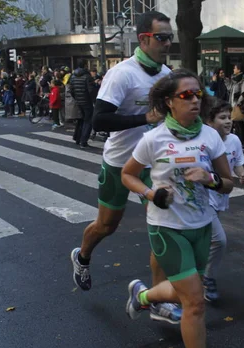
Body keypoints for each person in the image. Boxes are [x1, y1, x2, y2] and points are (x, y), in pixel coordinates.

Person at [121, 68, 233, 348]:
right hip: (166, 227)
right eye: (186, 95)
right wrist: (150, 194)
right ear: (170, 102)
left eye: (198, 94)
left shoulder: (211, 137)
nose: (195, 100)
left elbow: (228, 184)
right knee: (195, 303)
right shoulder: (153, 139)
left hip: (201, 226)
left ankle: (142, 296)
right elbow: (129, 175)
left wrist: (210, 178)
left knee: (187, 295)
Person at [70, 11, 181, 323]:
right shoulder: (123, 74)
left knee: (163, 229)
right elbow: (99, 119)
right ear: (144, 38)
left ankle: (159, 300)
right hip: (120, 163)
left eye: (170, 37)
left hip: (154, 164)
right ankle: (82, 256)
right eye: (162, 37)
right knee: (107, 226)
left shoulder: (166, 74)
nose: (167, 43)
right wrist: (144, 118)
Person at [202, 98, 244, 301]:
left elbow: (237, 162)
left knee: (206, 239)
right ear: (209, 122)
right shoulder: (202, 141)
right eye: (222, 118)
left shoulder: (234, 140)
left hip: (221, 195)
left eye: (229, 117)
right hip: (204, 198)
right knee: (219, 240)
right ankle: (207, 278)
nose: (228, 121)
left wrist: (241, 173)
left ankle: (194, 272)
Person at [69, 59, 97, 148]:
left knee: (80, 119)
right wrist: (93, 100)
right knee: (88, 120)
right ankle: (83, 141)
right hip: (87, 101)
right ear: (85, 65)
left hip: (78, 101)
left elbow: (71, 90)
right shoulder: (87, 76)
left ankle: (77, 138)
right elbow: (91, 90)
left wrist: (76, 98)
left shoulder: (73, 76)